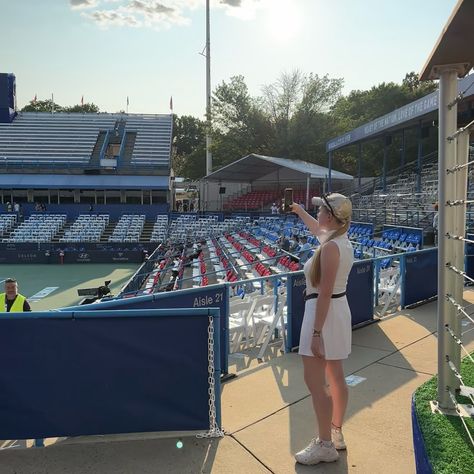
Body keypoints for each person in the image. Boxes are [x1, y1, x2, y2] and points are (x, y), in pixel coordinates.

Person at [290, 193, 354, 466]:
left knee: (316, 383)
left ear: (331, 216)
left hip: (321, 313)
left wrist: (316, 334)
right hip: (337, 312)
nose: (317, 215)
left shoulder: (329, 248)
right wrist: (297, 210)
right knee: (335, 377)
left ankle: (325, 444)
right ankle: (335, 433)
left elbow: (324, 292)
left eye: (320, 211)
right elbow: (316, 229)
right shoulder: (338, 240)